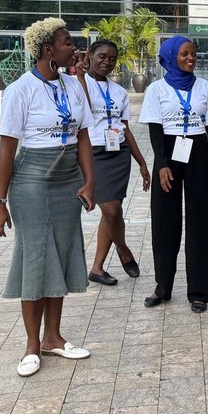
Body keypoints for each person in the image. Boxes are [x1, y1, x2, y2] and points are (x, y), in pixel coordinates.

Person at [0, 17, 95, 378]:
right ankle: (32, 345)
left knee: (61, 256)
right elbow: (7, 150)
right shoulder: (21, 90)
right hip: (31, 182)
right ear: (49, 50)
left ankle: (54, 337)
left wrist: (89, 181)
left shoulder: (72, 85)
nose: (73, 48)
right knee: (36, 258)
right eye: (67, 43)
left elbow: (82, 135)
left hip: (68, 181)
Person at [140, 36, 208, 313]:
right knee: (165, 222)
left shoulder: (204, 87)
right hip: (168, 155)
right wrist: (162, 165)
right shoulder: (156, 90)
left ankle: (198, 292)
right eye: (184, 54)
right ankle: (163, 287)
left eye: (194, 54)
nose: (191, 58)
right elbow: (155, 131)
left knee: (199, 222)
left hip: (198, 154)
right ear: (170, 57)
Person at [76, 40, 151, 286]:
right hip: (93, 153)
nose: (106, 62)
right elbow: (84, 110)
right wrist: (79, 74)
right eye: (101, 56)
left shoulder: (118, 92)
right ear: (90, 56)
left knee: (111, 214)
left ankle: (97, 269)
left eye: (112, 59)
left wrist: (141, 162)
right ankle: (124, 250)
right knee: (111, 210)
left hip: (118, 154)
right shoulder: (77, 83)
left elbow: (125, 128)